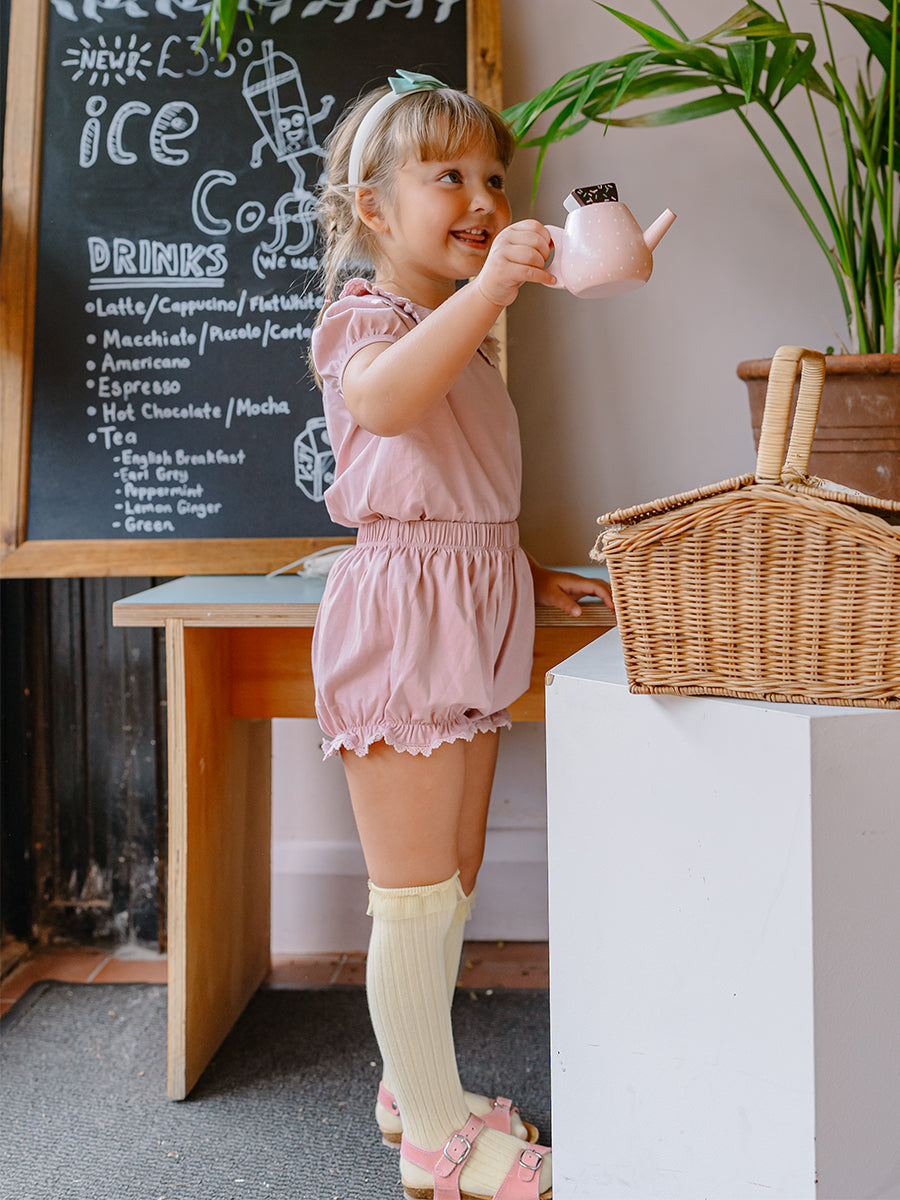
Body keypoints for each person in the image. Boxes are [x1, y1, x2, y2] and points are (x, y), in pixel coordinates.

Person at [309, 69, 613, 1200]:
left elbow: (449, 481)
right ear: (375, 209)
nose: (483, 197)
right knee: (414, 891)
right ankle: (435, 1139)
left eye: (494, 176)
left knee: (458, 868)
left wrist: (522, 571)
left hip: (473, 604)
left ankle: (415, 1088)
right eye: (449, 176)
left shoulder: (461, 334)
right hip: (405, 619)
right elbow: (382, 406)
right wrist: (487, 289)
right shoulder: (367, 320)